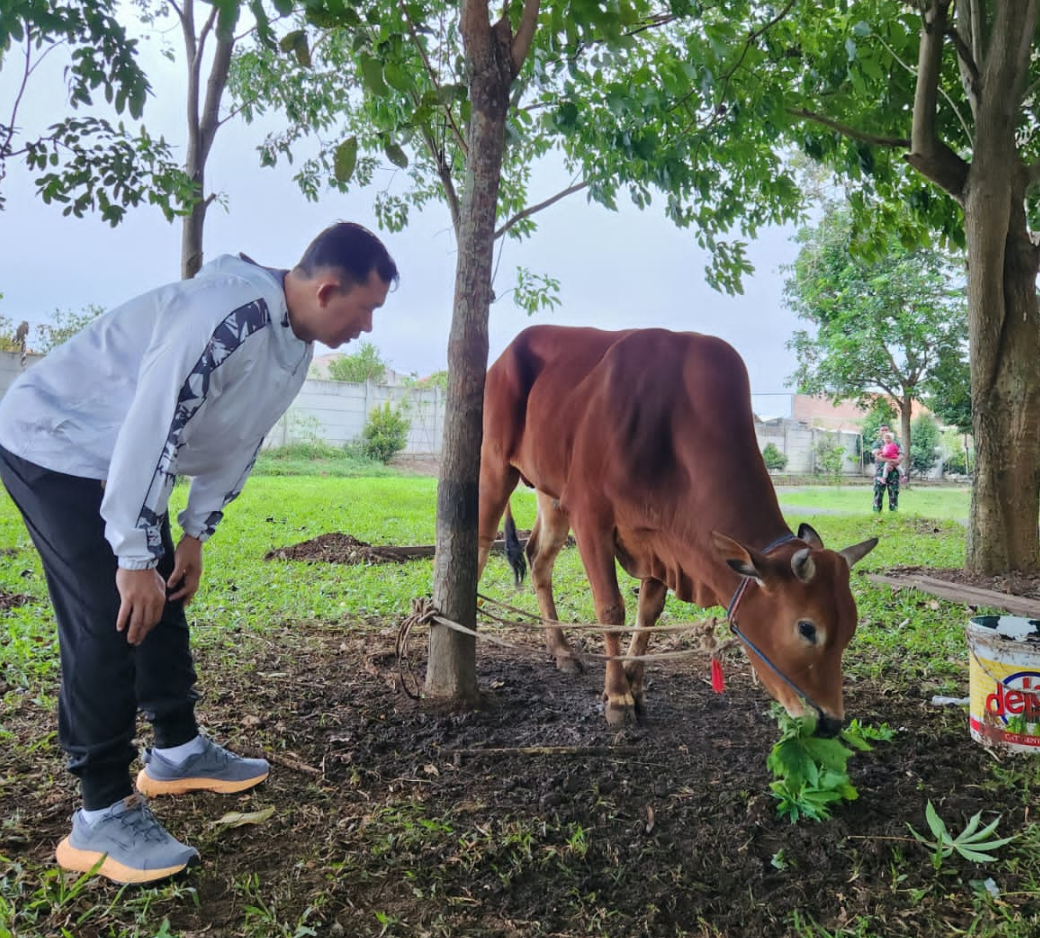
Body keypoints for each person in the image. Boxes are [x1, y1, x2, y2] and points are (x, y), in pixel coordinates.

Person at [0, 222, 398, 884]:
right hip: (55, 441)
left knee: (164, 592)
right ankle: (100, 814)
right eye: (367, 309)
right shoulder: (222, 314)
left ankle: (178, 753)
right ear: (329, 290)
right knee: (107, 612)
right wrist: (133, 557)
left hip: (122, 458)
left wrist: (192, 534)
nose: (369, 327)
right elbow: (154, 424)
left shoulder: (293, 346)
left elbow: (239, 441)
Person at [870, 424, 901, 512]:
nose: (884, 431)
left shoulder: (896, 443)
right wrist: (891, 462)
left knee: (894, 493)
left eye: (886, 430)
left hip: (894, 472)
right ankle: (876, 512)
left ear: (889, 431)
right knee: (878, 492)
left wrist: (893, 465)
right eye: (882, 430)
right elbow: (877, 456)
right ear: (879, 432)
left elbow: (901, 455)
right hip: (880, 472)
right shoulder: (877, 443)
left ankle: (893, 513)